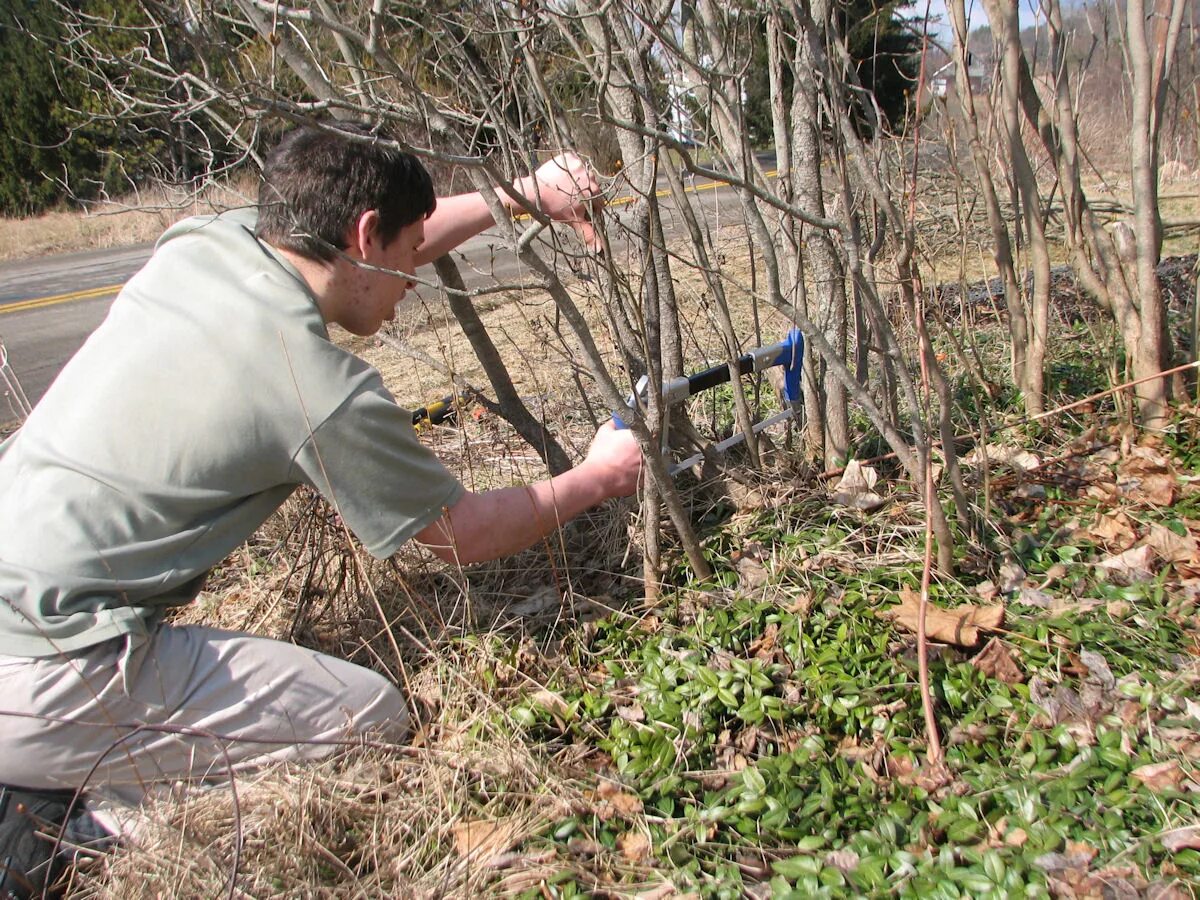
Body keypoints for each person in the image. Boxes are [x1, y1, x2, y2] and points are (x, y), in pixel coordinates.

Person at [0, 123, 642, 896]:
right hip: (49, 672)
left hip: (28, 601)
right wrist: (600, 477)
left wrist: (528, 195)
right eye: (409, 258)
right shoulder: (315, 388)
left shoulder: (209, 243)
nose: (416, 281)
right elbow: (459, 533)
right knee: (367, 714)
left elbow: (380, 244)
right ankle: (67, 829)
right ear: (367, 235)